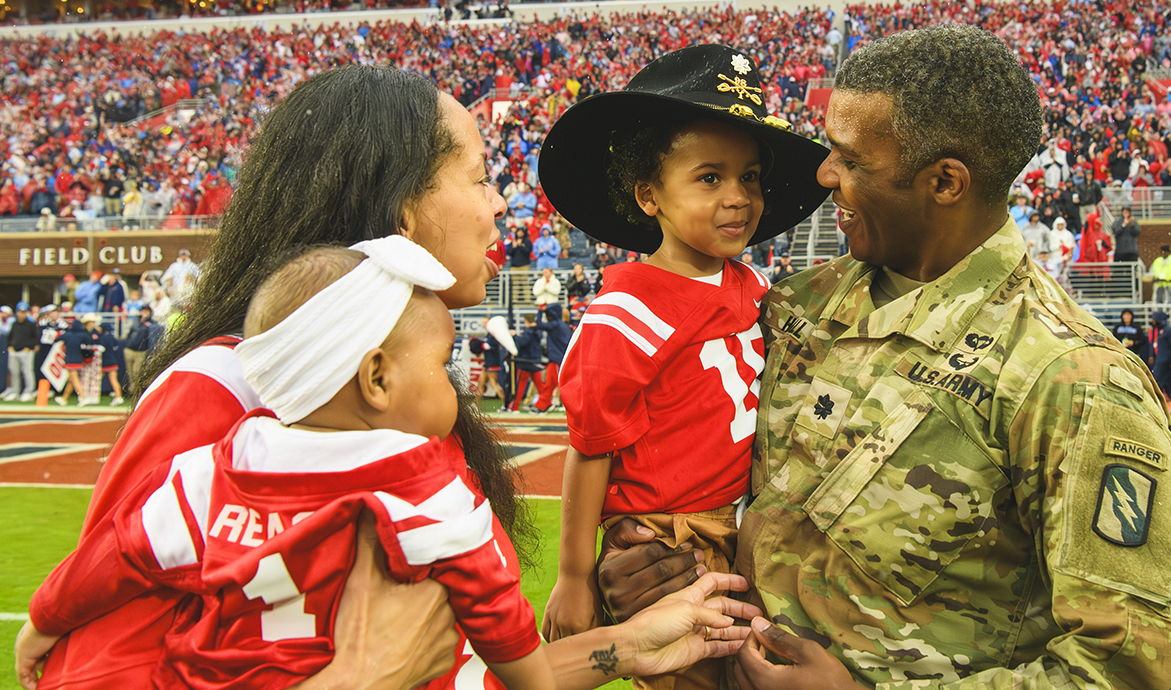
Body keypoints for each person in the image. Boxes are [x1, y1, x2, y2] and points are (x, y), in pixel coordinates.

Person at [17, 65, 757, 690]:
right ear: (405, 209)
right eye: (479, 177)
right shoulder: (228, 389)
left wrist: (624, 642)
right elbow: (89, 672)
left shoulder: (396, 399)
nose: (502, 202)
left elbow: (458, 665)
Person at [595, 26, 1171, 689]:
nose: (824, 175)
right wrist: (644, 570)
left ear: (945, 182)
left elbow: (1139, 670)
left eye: (851, 160)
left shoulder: (1070, 379)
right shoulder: (791, 311)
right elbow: (695, 490)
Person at [22, 239, 556, 690]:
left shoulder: (208, 470)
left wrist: (44, 620)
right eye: (443, 364)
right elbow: (497, 617)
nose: (451, 384)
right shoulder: (427, 488)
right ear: (377, 380)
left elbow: (118, 551)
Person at [537, 44, 830, 690]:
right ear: (649, 195)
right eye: (709, 178)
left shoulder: (752, 287)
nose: (739, 197)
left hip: (738, 525)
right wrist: (575, 576)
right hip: (667, 543)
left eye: (750, 177)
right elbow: (590, 449)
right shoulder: (625, 313)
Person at [1148, 310, 1171, 410]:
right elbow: (1153, 344)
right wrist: (1152, 355)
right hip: (1159, 358)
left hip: (1165, 360)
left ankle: (1156, 402)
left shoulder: (1169, 330)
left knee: (1157, 381)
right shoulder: (1155, 330)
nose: (1153, 321)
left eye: (1154, 319)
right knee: (1170, 381)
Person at [2, 303, 39, 401]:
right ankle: (15, 391)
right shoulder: (14, 324)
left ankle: (28, 392)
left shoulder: (31, 324)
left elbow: (36, 338)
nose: (21, 314)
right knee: (14, 372)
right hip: (14, 351)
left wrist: (29, 347)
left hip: (26, 352)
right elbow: (9, 336)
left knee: (27, 372)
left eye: (23, 312)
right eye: (20, 312)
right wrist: (10, 346)